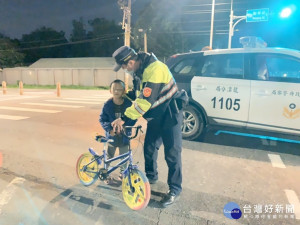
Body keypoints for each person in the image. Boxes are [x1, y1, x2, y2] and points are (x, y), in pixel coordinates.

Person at [111, 46, 186, 207]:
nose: (124, 70)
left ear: (130, 62)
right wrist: (125, 94)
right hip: (156, 115)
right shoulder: (140, 70)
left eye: (123, 66)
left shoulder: (155, 69)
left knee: (172, 153)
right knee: (150, 147)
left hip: (170, 114)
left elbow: (144, 101)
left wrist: (125, 119)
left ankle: (175, 189)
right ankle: (150, 178)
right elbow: (139, 93)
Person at [99, 79, 136, 181]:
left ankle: (122, 173)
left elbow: (133, 117)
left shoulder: (128, 104)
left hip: (124, 136)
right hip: (111, 137)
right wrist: (110, 129)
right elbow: (102, 119)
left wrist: (126, 126)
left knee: (124, 157)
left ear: (124, 91)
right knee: (108, 156)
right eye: (114, 89)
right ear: (110, 90)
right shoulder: (107, 105)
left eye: (119, 89)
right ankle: (105, 174)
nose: (116, 91)